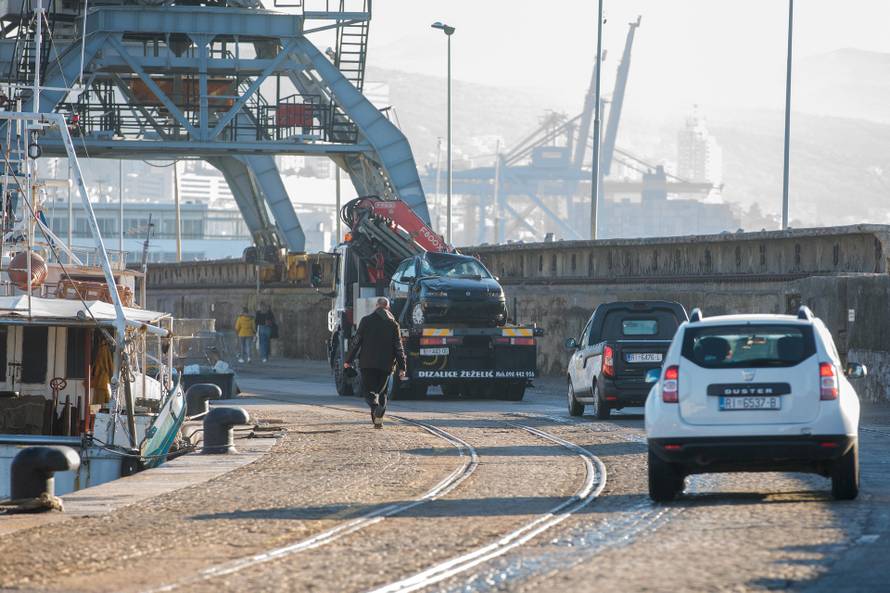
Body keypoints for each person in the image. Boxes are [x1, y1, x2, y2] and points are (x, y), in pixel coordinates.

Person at [344, 297, 407, 428]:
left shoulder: (366, 321)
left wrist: (348, 360)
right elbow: (398, 347)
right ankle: (378, 421)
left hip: (367, 364)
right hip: (386, 365)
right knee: (382, 393)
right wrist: (402, 367)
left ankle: (375, 407)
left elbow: (356, 342)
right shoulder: (393, 324)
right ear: (388, 308)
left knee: (369, 392)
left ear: (376, 306)